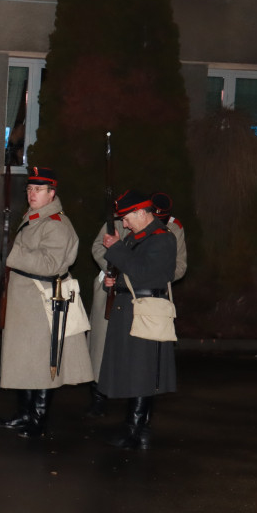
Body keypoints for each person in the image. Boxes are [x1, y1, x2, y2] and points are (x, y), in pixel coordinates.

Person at [0, 167, 93, 438]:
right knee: (24, 360)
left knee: (42, 362)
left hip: (42, 301)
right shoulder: (36, 217)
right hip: (26, 302)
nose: (31, 194)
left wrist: (16, 254)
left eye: (38, 190)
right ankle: (24, 413)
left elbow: (51, 265)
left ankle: (37, 420)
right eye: (29, 189)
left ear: (52, 194)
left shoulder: (56, 225)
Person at [98, 190, 177, 449]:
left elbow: (145, 274)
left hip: (146, 311)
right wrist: (114, 281)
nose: (125, 223)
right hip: (130, 309)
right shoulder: (137, 238)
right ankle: (136, 428)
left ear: (142, 213)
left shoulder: (163, 239)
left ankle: (135, 430)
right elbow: (130, 271)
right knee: (133, 370)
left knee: (142, 372)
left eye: (128, 217)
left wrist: (116, 248)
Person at [84, 213, 130, 417]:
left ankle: (132, 398)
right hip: (109, 286)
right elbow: (97, 247)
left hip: (134, 289)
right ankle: (98, 397)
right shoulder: (114, 224)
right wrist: (111, 268)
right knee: (100, 344)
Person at [151, 192, 187, 282]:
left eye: (160, 221)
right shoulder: (130, 221)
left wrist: (160, 278)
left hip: (159, 287)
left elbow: (180, 265)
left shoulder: (174, 228)